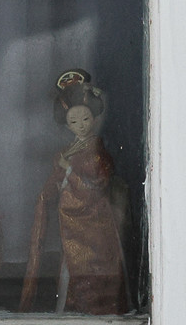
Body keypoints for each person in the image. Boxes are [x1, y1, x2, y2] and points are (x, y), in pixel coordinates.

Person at [21, 69, 128, 314]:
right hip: (69, 222)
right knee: (69, 268)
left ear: (94, 119)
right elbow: (55, 180)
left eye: (85, 119)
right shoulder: (66, 150)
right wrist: (48, 191)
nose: (80, 125)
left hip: (93, 222)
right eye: (74, 122)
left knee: (93, 269)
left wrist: (68, 169)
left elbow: (98, 184)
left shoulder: (97, 151)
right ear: (67, 124)